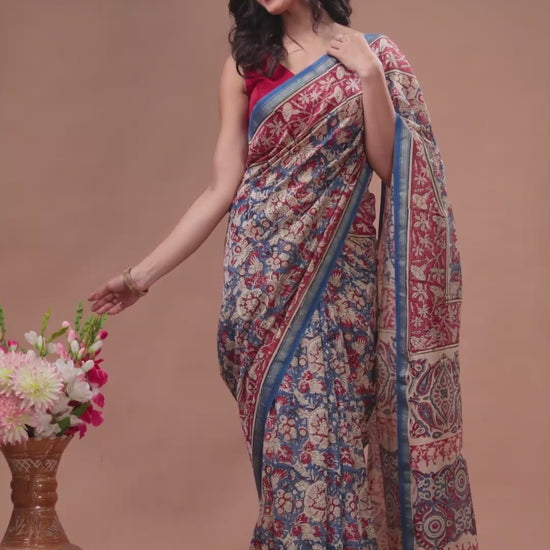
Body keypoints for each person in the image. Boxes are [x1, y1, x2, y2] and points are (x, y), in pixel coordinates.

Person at [88, 1, 478, 548]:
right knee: (290, 468)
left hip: (338, 286)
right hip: (259, 284)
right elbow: (221, 189)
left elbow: (393, 165)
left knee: (334, 456)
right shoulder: (244, 67)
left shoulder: (372, 55)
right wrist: (139, 277)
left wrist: (369, 75)